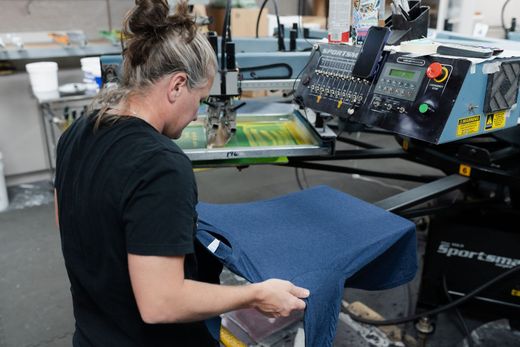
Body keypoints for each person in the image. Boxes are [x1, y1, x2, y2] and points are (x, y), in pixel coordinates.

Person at [53, 1, 309, 346]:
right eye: (200, 100)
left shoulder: (78, 131)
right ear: (176, 86)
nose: (197, 115)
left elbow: (68, 221)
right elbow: (161, 303)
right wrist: (255, 294)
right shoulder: (160, 164)